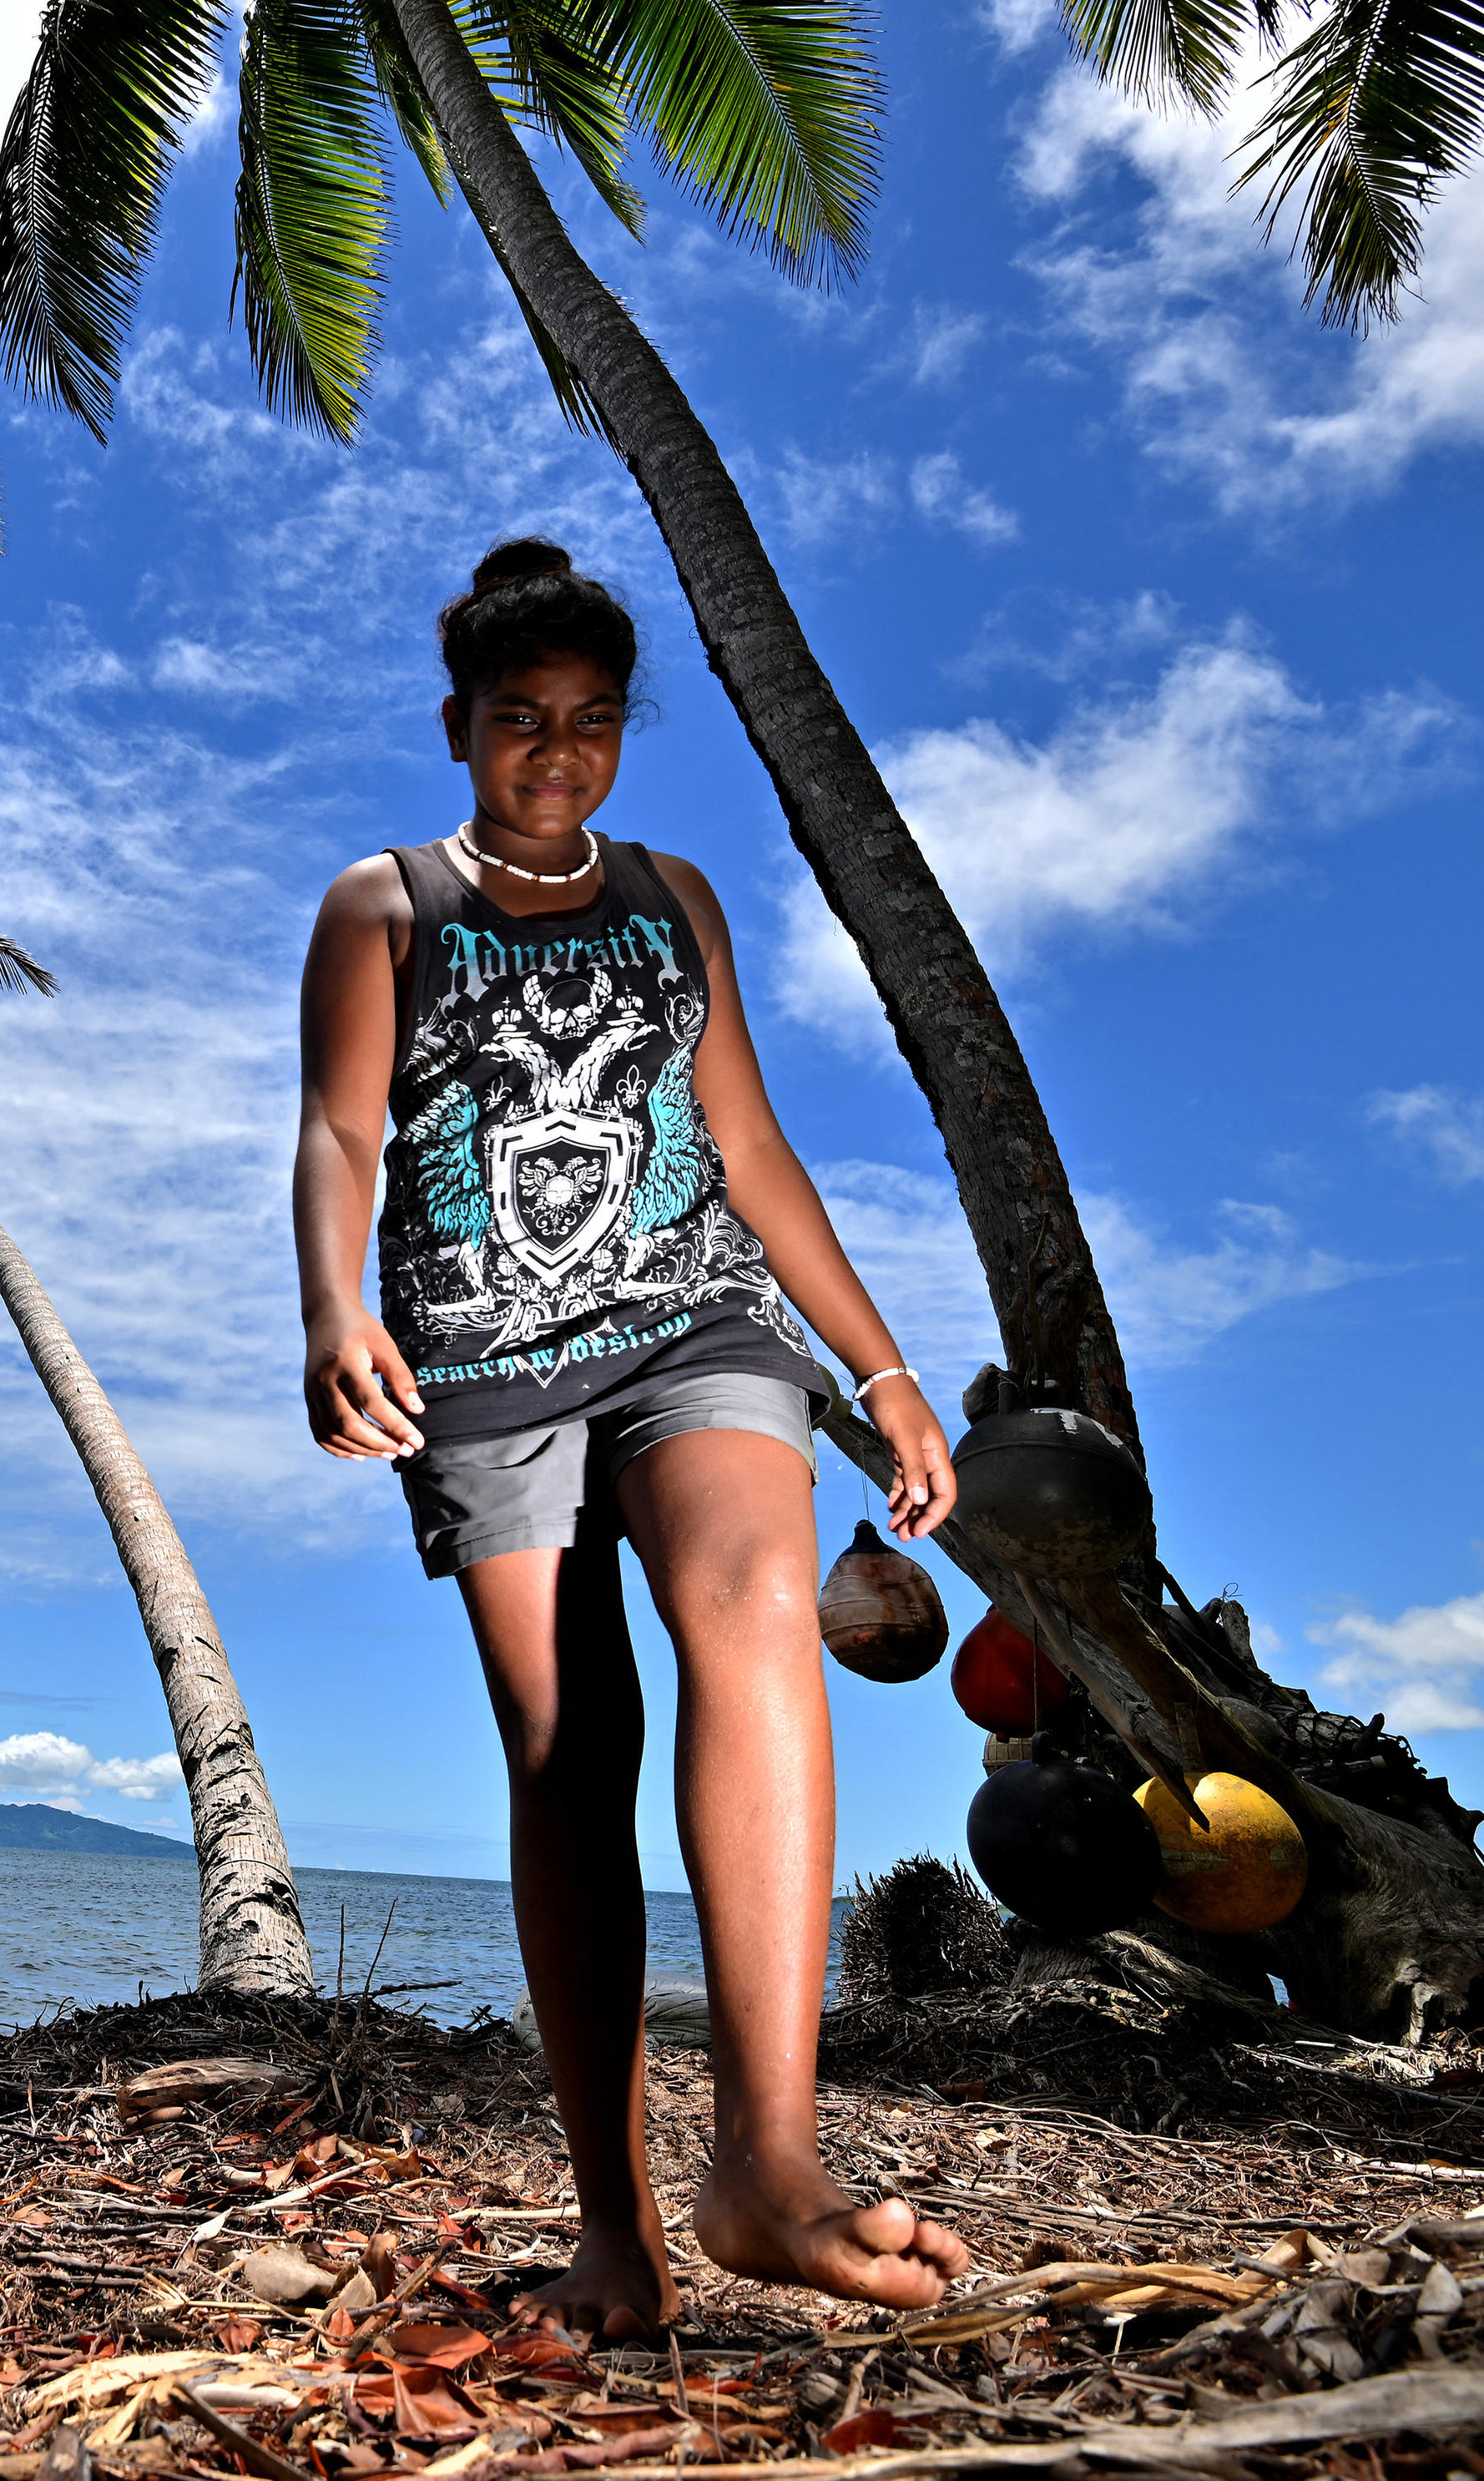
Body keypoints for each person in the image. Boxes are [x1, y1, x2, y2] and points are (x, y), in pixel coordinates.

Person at [291, 538, 969, 2334]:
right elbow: (342, 1134)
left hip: (697, 1315)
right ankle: (621, 2232)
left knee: (747, 1599)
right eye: (522, 721)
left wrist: (884, 1366)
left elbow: (744, 1143)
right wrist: (330, 1305)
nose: (558, 755)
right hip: (482, 1359)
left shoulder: (673, 897)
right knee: (565, 1753)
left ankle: (767, 2155)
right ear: (459, 727)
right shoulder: (382, 903)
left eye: (591, 723)